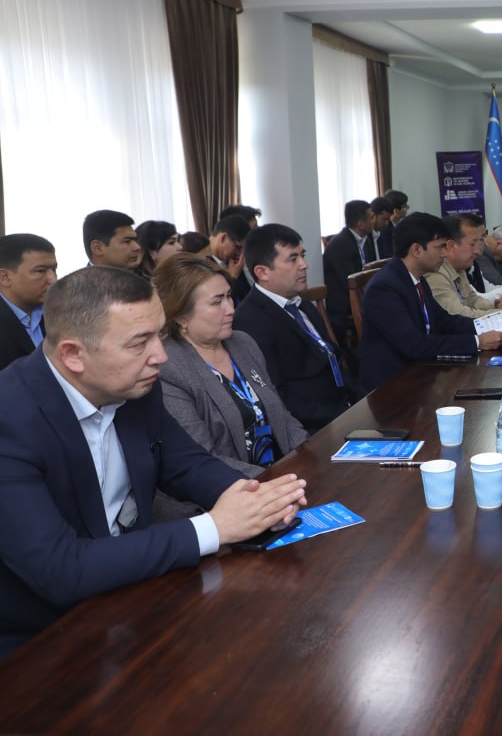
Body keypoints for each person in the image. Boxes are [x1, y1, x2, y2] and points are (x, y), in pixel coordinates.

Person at [0, 266, 307, 658]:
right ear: (73, 355)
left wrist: (252, 499)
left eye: (158, 335)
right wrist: (216, 527)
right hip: (41, 638)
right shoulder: (9, 419)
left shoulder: (135, 385)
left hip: (134, 593)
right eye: (139, 343)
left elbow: (185, 464)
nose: (160, 357)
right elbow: (61, 569)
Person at [154, 254, 306, 482]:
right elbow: (202, 457)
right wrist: (274, 480)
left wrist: (307, 456)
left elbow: (282, 416)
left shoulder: (243, 342)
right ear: (181, 316)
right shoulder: (170, 369)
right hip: (234, 487)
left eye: (228, 297)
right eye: (217, 302)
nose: (231, 309)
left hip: (285, 474)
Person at [358, 214, 502, 390]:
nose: (444, 253)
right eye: (440, 247)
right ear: (416, 250)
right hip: (393, 385)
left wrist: (493, 325)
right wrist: (476, 342)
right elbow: (414, 344)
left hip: (422, 371)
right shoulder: (384, 288)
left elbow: (444, 320)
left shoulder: (416, 278)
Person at [234, 224, 356, 434]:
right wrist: (341, 418)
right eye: (293, 259)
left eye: (302, 255)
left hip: (344, 407)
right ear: (262, 272)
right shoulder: (249, 321)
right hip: (314, 427)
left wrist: (361, 400)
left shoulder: (301, 304)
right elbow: (277, 397)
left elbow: (332, 358)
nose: (304, 265)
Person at [425, 214, 502, 320]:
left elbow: (473, 300)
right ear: (451, 245)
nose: (478, 251)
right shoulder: (436, 273)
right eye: (472, 244)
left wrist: (496, 305)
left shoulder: (459, 268)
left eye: (481, 241)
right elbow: (459, 314)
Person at [0, 234, 57, 371]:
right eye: (40, 271)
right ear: (5, 278)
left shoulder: (58, 313)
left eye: (54, 270)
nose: (53, 279)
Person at [323, 199, 375, 345]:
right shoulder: (340, 245)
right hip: (343, 302)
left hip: (362, 294)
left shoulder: (366, 240)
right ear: (361, 224)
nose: (374, 220)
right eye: (371, 217)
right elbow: (349, 282)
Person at [207, 214, 253, 302]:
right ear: (223, 238)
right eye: (237, 247)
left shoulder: (234, 262)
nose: (239, 253)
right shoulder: (200, 262)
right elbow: (218, 302)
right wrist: (232, 277)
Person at [370, 196, 395, 261]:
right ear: (373, 216)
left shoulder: (380, 234)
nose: (387, 223)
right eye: (384, 219)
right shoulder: (365, 238)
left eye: (388, 219)